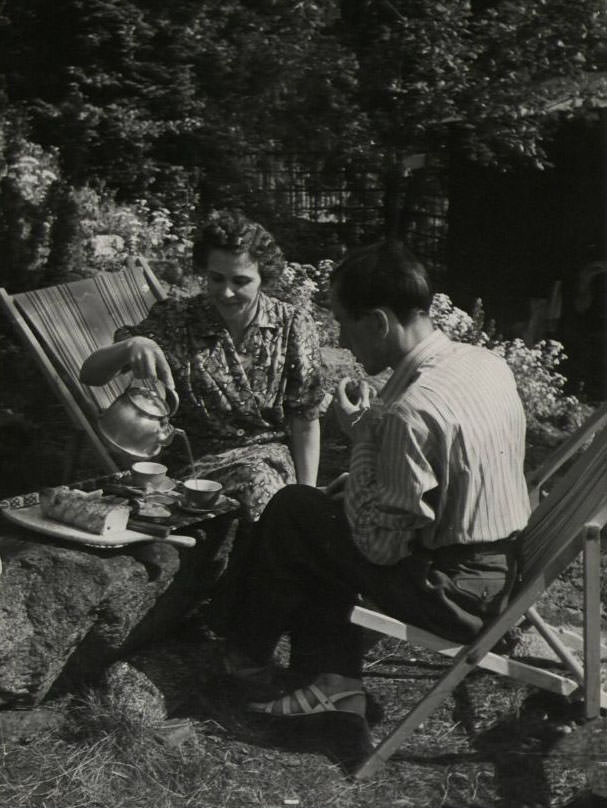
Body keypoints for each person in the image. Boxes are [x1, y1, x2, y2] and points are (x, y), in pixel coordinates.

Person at [215, 239, 531, 764]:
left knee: (296, 511)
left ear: (380, 322)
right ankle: (317, 676)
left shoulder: (409, 411)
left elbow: (380, 549)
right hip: (500, 570)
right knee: (311, 517)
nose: (341, 336)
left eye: (344, 323)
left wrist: (362, 439)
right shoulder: (483, 362)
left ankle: (244, 658)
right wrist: (370, 451)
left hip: (456, 595)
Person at [80, 209, 325, 521]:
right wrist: (131, 345)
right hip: (191, 466)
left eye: (241, 281)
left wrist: (308, 497)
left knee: (261, 486)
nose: (226, 292)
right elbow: (90, 374)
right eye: (216, 278)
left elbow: (304, 416)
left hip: (266, 458)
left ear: (265, 278)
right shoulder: (177, 318)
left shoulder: (292, 324)